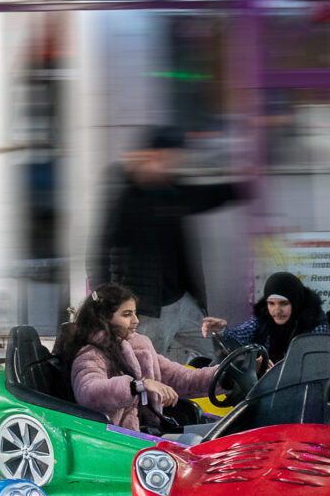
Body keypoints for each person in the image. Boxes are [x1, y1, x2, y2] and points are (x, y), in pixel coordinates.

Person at [93, 125, 241, 361]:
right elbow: (102, 250)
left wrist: (241, 186)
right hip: (149, 307)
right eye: (166, 156)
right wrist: (107, 301)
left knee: (213, 358)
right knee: (147, 368)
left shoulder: (172, 191)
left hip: (183, 300)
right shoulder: (129, 198)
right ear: (150, 156)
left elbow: (207, 196)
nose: (171, 162)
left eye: (175, 156)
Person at [57, 283, 220, 436]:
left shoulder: (139, 347)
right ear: (104, 318)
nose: (136, 320)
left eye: (135, 313)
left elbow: (179, 377)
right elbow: (89, 393)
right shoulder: (90, 353)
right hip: (118, 440)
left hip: (147, 432)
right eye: (127, 314)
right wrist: (137, 386)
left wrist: (221, 378)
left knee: (221, 433)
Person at [201, 271, 327, 365]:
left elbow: (314, 365)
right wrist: (222, 330)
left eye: (283, 303)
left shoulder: (315, 326)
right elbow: (241, 335)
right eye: (271, 303)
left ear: (296, 302)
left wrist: (279, 372)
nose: (277, 310)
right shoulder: (263, 320)